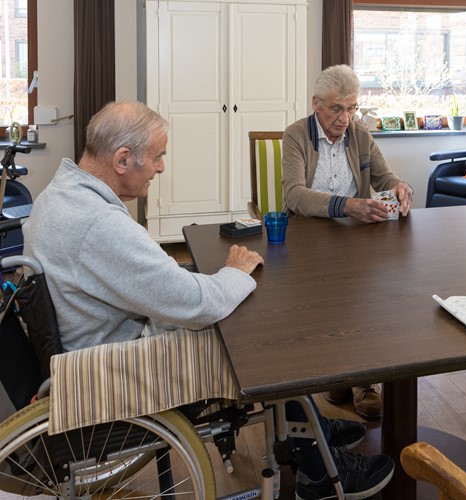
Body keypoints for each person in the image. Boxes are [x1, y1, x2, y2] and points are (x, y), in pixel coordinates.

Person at [22, 101, 395, 499]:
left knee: (241, 308)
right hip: (114, 370)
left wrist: (198, 277)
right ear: (122, 158)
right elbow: (201, 305)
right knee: (265, 341)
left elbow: (143, 278)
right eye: (158, 156)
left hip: (81, 350)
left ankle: (309, 424)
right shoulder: (98, 224)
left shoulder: (61, 193)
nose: (161, 167)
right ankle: (318, 468)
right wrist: (234, 270)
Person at [282, 64, 414, 420]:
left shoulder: (360, 134)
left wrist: (401, 187)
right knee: (323, 308)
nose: (346, 117)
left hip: (354, 238)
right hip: (308, 236)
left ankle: (363, 381)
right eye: (337, 108)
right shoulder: (295, 135)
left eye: (352, 107)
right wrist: (346, 205)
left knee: (362, 306)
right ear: (316, 105)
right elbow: (294, 195)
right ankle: (334, 372)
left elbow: (386, 177)